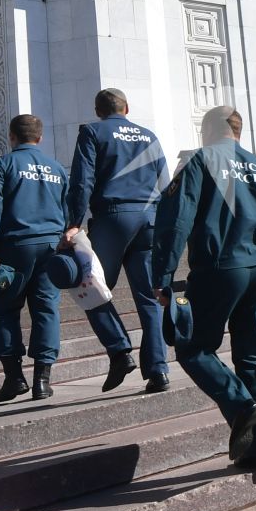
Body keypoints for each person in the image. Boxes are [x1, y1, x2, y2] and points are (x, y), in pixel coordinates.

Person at [152, 106, 256, 468]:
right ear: (239, 131)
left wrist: (162, 276)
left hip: (220, 268)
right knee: (253, 357)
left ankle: (240, 406)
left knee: (194, 348)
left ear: (208, 131)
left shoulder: (200, 161)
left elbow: (176, 221)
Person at [66, 89, 171, 393]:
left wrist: (73, 221)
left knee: (90, 288)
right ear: (127, 107)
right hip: (149, 219)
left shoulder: (93, 131)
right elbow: (165, 183)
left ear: (98, 110)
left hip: (113, 218)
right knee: (148, 298)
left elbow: (82, 179)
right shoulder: (148, 135)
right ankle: (158, 371)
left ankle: (120, 350)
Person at [0, 114, 68, 404]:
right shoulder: (56, 168)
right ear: (40, 138)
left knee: (3, 309)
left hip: (15, 246)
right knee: (46, 309)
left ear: (11, 137)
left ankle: (14, 376)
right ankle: (43, 379)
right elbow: (66, 207)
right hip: (50, 245)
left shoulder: (2, 165)